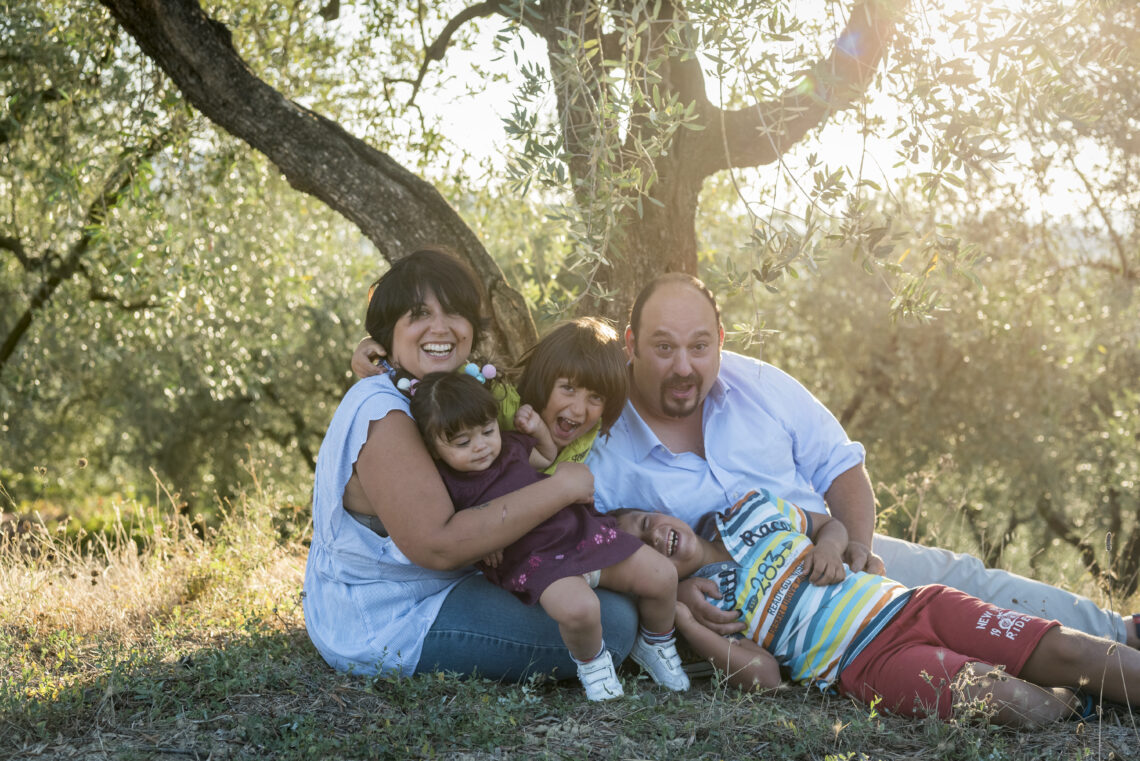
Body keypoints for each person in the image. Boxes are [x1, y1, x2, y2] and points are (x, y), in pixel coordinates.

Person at [585, 272, 1140, 648]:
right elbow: (593, 551)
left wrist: (858, 548)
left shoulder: (758, 383)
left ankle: (1122, 635)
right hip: (755, 610)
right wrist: (674, 590)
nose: (685, 366)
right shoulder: (604, 444)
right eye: (663, 348)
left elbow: (841, 469)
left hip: (830, 557)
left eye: (700, 346)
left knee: (962, 578)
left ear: (720, 341)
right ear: (631, 343)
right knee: (959, 637)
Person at [303, 247, 639, 682]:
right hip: (392, 615)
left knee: (608, 590)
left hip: (449, 583)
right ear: (389, 330)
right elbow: (439, 545)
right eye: (419, 313)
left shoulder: (442, 392)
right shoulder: (381, 411)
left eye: (455, 312)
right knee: (612, 624)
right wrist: (564, 487)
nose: (441, 327)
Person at [614, 492, 1138, 726]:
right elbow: (768, 678)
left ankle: (1089, 682)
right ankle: (1073, 706)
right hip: (867, 665)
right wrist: (681, 619)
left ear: (659, 510)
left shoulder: (753, 508)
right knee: (1011, 701)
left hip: (916, 605)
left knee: (1069, 649)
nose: (654, 538)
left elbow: (827, 525)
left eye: (643, 521)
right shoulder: (705, 605)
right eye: (639, 550)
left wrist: (827, 544)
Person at [404, 370, 689, 700]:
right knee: (580, 610)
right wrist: (485, 545)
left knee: (662, 575)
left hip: (580, 532)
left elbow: (547, 456)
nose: (481, 446)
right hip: (536, 559)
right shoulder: (449, 486)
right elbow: (458, 532)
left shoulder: (509, 446)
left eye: (487, 431)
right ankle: (593, 665)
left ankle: (656, 642)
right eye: (463, 442)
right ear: (435, 449)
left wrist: (538, 429)